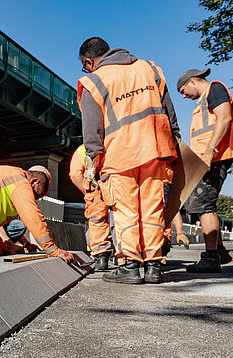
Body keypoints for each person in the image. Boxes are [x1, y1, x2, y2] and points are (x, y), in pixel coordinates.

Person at [77, 37, 178, 284]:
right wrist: (174, 140)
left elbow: (92, 130)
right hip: (156, 148)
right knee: (153, 209)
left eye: (84, 65)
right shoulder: (149, 68)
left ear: (89, 61)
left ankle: (130, 266)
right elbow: (168, 110)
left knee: (125, 211)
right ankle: (154, 266)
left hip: (119, 154)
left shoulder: (93, 81)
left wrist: (93, 160)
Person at [178, 68, 233, 273]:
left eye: (183, 90)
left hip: (214, 158)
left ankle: (211, 258)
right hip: (210, 158)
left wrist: (209, 151)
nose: (184, 96)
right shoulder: (205, 98)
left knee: (202, 203)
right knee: (206, 201)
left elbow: (224, 118)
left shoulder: (214, 90)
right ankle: (219, 251)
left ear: (192, 81)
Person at [69, 145, 112, 270]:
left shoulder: (84, 148)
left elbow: (74, 174)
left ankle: (101, 257)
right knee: (121, 218)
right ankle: (128, 258)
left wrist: (87, 190)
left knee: (97, 220)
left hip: (96, 188)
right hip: (116, 185)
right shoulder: (114, 140)